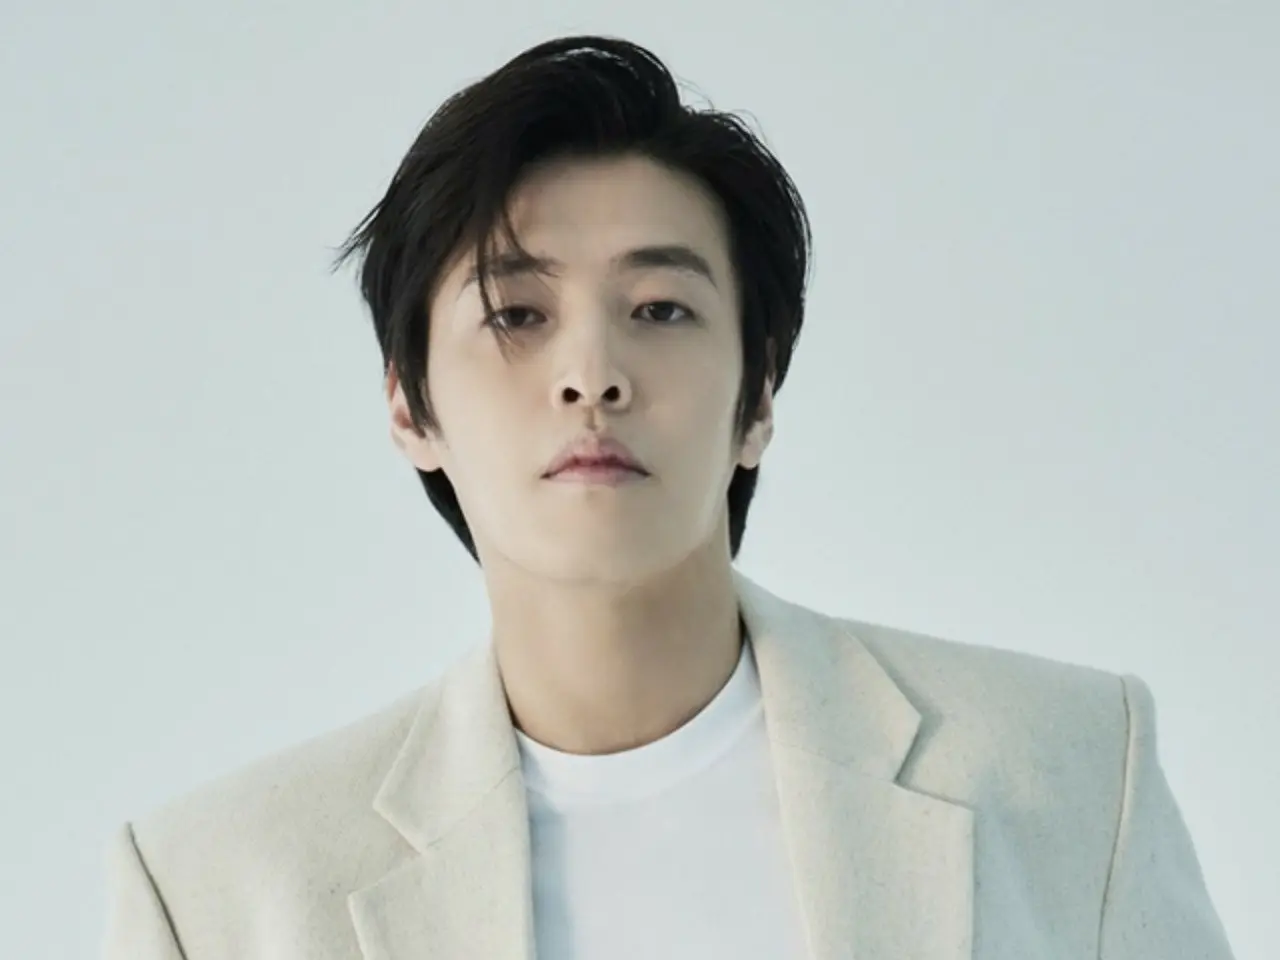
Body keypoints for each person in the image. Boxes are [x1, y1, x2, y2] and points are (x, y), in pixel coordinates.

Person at [100, 35, 1236, 960]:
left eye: (659, 309)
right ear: (409, 406)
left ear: (758, 396)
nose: (592, 374)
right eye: (516, 313)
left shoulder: (1069, 768)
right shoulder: (219, 891)